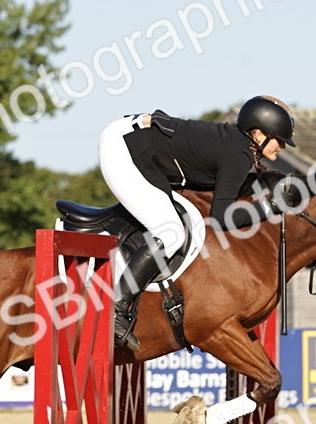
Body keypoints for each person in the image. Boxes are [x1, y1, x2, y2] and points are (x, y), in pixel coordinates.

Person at [98, 95, 296, 348]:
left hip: (134, 142)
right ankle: (117, 306)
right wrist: (270, 207)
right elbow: (222, 215)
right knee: (171, 233)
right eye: (280, 139)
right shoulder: (238, 155)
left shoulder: (239, 147)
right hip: (122, 150)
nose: (283, 147)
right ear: (258, 135)